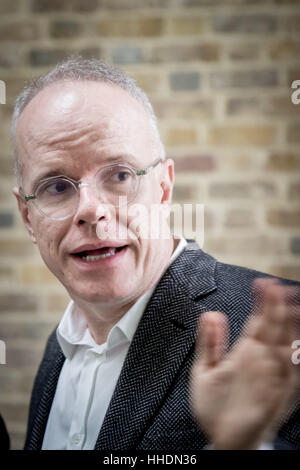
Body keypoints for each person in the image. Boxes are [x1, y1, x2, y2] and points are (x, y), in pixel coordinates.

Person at [11, 57, 300, 451]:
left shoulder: (284, 329)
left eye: (119, 176)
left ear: (163, 190)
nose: (91, 210)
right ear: (29, 217)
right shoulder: (59, 348)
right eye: (57, 188)